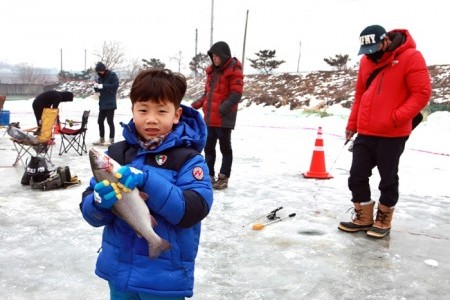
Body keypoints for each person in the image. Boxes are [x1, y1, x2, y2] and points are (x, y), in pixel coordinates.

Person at [80, 68, 214, 299]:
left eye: (162, 111)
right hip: (119, 273)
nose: (151, 118)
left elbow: (193, 210)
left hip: (164, 279)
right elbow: (92, 215)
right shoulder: (117, 153)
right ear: (133, 110)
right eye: (143, 110)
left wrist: (148, 180)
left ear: (176, 114)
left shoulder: (189, 159)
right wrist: (99, 203)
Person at [338, 25, 431, 238]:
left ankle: (383, 219)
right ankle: (363, 218)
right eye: (367, 51)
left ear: (386, 40)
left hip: (393, 133)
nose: (371, 55)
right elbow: (361, 93)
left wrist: (396, 118)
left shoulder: (411, 57)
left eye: (375, 49)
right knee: (356, 176)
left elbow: (422, 93)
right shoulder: (366, 62)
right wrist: (352, 124)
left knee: (388, 178)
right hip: (366, 131)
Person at [191, 41, 244, 190]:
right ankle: (209, 175)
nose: (213, 59)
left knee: (225, 148)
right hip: (209, 118)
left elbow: (236, 94)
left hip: (223, 118)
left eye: (216, 56)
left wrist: (221, 109)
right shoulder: (212, 72)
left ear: (223, 55)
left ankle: (224, 176)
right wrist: (195, 105)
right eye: (212, 56)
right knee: (208, 147)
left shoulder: (234, 70)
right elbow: (207, 94)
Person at [93, 62, 119, 145]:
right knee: (100, 121)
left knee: (110, 121)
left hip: (110, 102)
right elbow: (99, 90)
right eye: (98, 72)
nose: (99, 73)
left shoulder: (112, 75)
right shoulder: (99, 77)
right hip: (103, 103)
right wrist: (96, 87)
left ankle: (111, 140)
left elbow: (115, 86)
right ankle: (101, 139)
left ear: (103, 70)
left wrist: (103, 86)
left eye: (100, 71)